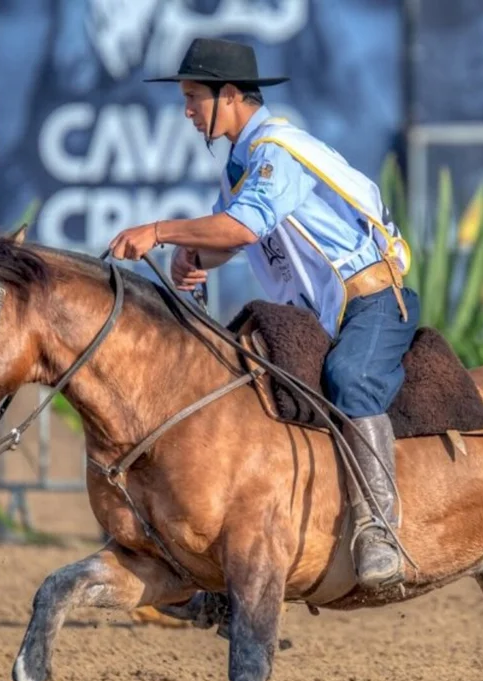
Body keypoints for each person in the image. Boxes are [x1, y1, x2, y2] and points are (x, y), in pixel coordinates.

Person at [108, 37, 419, 589]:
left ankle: (379, 529)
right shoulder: (241, 163)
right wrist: (195, 255)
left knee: (350, 379)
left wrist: (159, 232)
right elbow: (230, 239)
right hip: (327, 312)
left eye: (193, 97)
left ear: (229, 96)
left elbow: (243, 228)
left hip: (371, 301)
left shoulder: (275, 151)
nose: (186, 110)